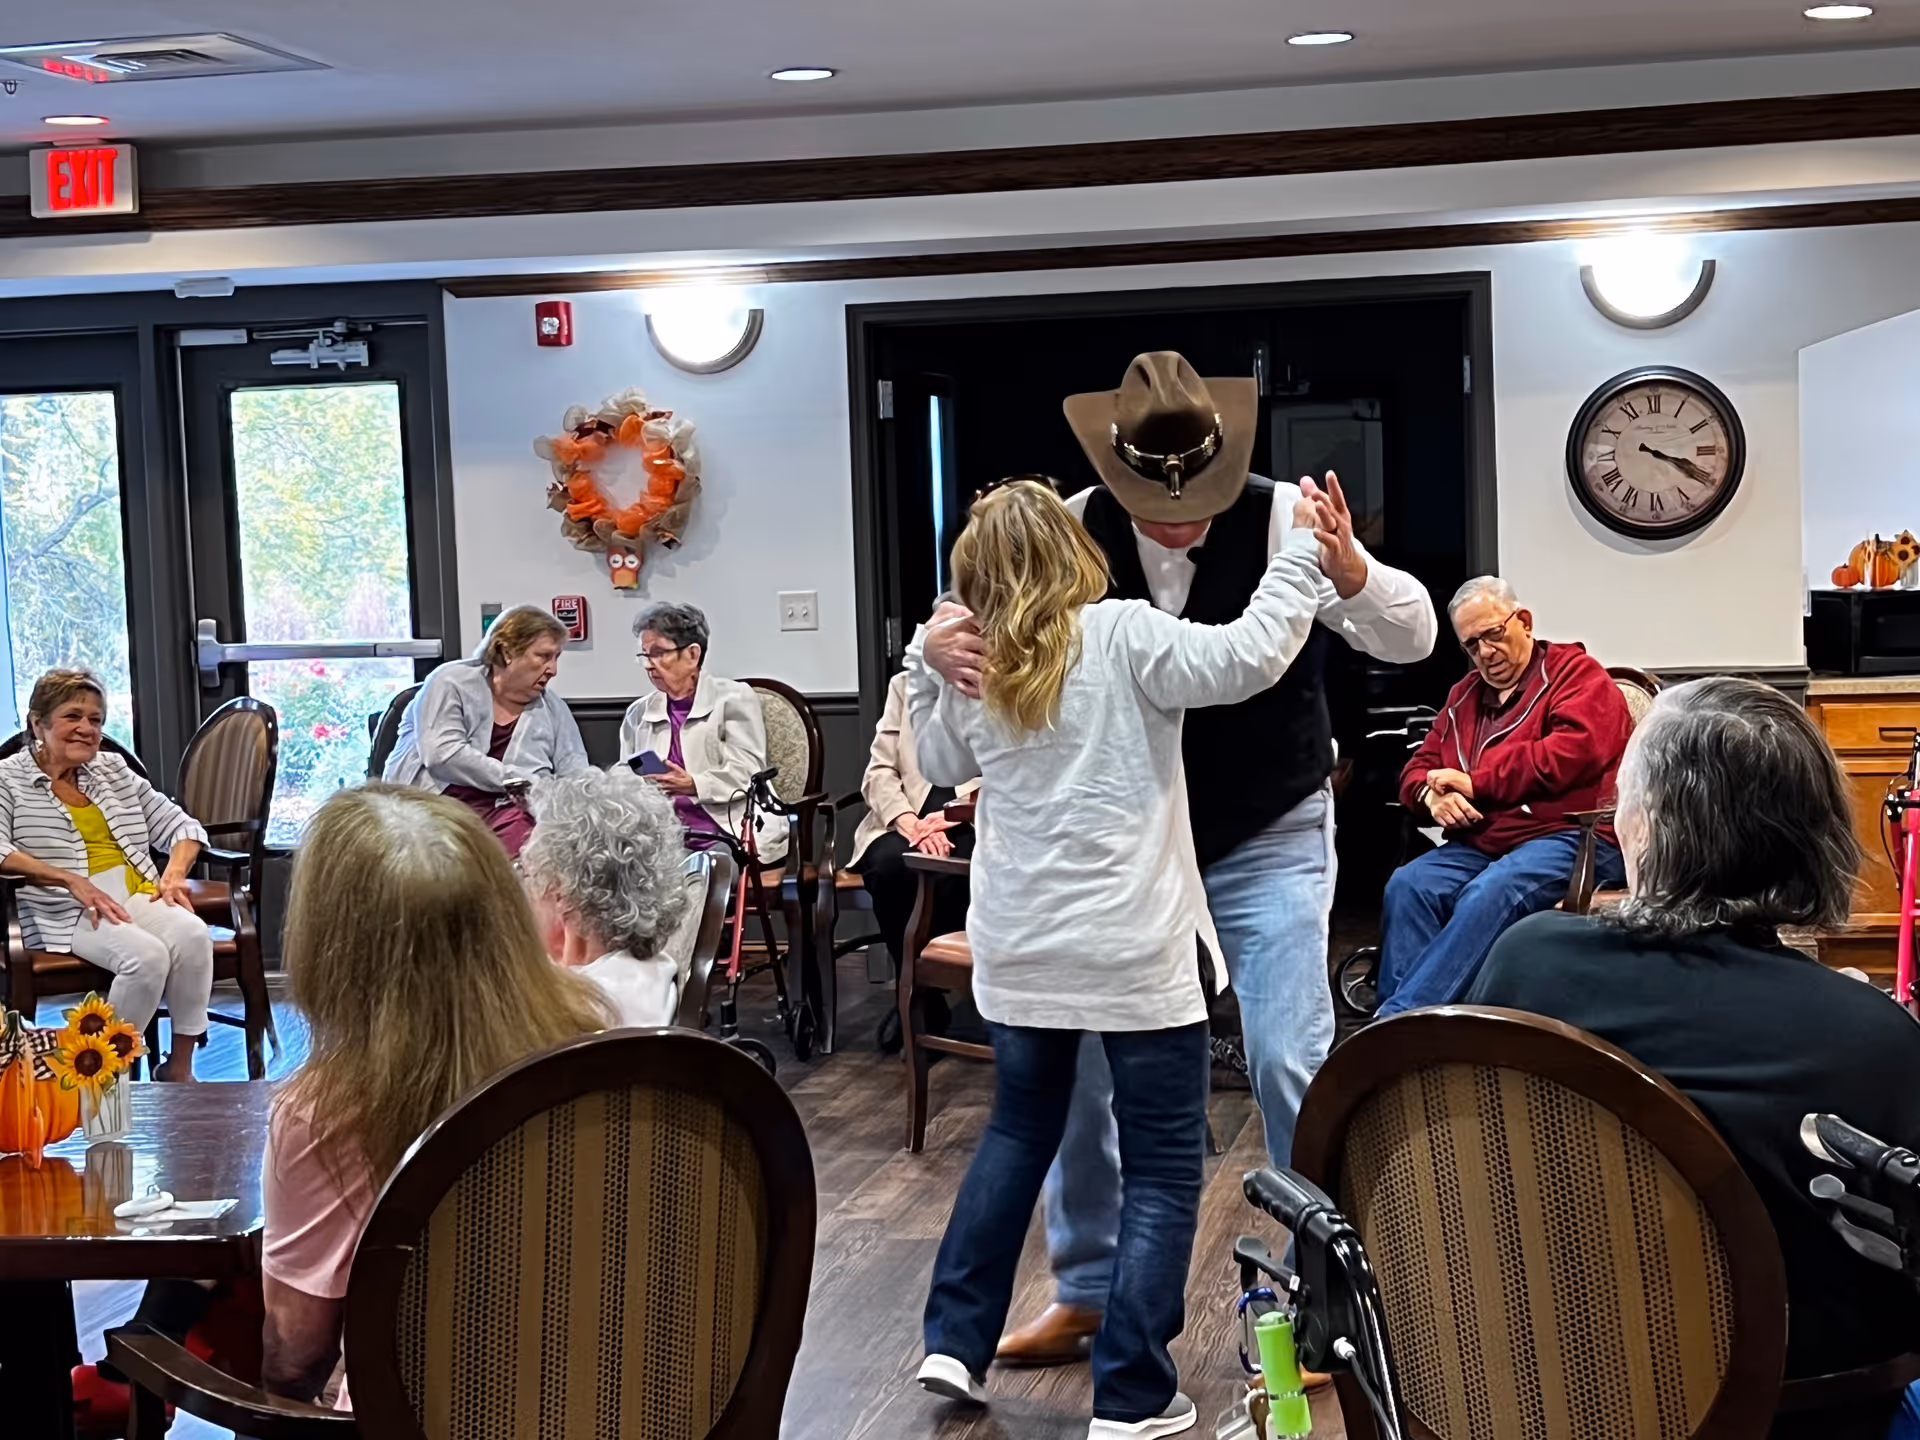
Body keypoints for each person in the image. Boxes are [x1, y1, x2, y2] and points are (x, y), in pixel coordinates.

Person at [922, 353, 1437, 1365]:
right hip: (1121, 854)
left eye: (1196, 501)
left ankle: (1327, 1298)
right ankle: (1085, 1289)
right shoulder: (1065, 525)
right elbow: (971, 629)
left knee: (1289, 1050)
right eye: (1151, 506)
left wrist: (1354, 572)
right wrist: (938, 651)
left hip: (1269, 829)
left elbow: (1414, 637)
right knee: (1072, 1083)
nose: (1177, 524)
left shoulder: (1294, 516)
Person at [910, 476, 1339, 1440]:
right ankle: (1135, 1396)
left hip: (1021, 956)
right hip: (1135, 951)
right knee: (1159, 1167)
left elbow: (937, 760)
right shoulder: (1121, 633)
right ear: (1073, 555)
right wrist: (1304, 551)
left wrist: (925, 654)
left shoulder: (974, 666)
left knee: (1017, 1136)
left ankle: (953, 1340)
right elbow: (1251, 653)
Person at [1469, 677, 1920, 1440]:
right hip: (1799, 1416)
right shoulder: (1871, 1037)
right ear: (1816, 833)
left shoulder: (1528, 963)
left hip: (1542, 1392)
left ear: (1643, 827)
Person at [260, 784, 613, 1408]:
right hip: (615, 1401)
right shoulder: (598, 1043)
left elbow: (297, 1353)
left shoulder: (325, 1110)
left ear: (330, 946)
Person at [1375, 575, 1631, 1015]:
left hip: (1575, 835)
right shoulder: (1464, 697)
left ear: (1524, 622)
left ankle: (1400, 1024)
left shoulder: (1576, 675)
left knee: (1492, 890)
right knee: (1410, 885)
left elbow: (1573, 752)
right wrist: (1430, 798)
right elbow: (1419, 768)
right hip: (1490, 839)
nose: (1486, 653)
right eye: (1472, 645)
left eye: (1493, 634)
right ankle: (1431, 1030)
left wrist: (1477, 783)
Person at [0, 667, 212, 1079]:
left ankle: (179, 1068)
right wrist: (68, 879)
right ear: (37, 723)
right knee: (146, 958)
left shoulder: (113, 770)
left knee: (192, 935)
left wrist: (174, 873)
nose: (86, 729)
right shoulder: (7, 778)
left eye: (95, 720)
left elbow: (183, 826)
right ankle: (99, 1078)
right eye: (72, 717)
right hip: (63, 906)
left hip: (134, 892)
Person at [384, 604, 587, 858]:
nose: (553, 670)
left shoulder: (553, 707)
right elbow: (442, 755)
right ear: (507, 652)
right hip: (436, 810)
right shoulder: (450, 682)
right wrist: (522, 781)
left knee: (533, 851)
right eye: (544, 656)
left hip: (512, 816)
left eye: (557, 657)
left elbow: (576, 773)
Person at [850, 669, 980, 1053]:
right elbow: (879, 772)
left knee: (964, 863)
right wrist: (910, 823)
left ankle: (950, 983)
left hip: (974, 817)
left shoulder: (1001, 678)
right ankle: (919, 998)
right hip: (906, 819)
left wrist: (959, 813)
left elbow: (1017, 767)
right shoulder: (904, 685)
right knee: (890, 864)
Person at [521, 767, 693, 1028]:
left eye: (529, 875)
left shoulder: (574, 1008)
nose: (526, 892)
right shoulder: (655, 970)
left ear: (560, 892)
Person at [620, 601, 788, 863]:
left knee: (703, 871)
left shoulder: (733, 699)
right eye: (644, 655)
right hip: (662, 837)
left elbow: (747, 771)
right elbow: (623, 775)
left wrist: (694, 784)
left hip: (726, 833)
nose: (649, 665)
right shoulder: (638, 713)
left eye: (659, 653)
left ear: (692, 655)